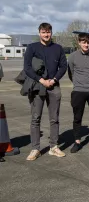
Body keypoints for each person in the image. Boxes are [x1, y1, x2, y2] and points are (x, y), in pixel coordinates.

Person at [24, 22, 67, 161]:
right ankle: (35, 148)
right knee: (35, 118)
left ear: (51, 33)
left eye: (48, 32)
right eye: (43, 32)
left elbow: (63, 66)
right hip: (37, 86)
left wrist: (54, 80)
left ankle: (53, 147)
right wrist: (41, 80)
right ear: (39, 33)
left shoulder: (58, 48)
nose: (46, 34)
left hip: (54, 86)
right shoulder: (32, 48)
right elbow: (27, 68)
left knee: (54, 118)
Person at [67, 33, 89, 153]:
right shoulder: (72, 57)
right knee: (77, 118)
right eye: (83, 42)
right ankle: (77, 141)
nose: (86, 44)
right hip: (78, 91)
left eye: (88, 42)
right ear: (79, 43)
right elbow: (71, 73)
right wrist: (78, 83)